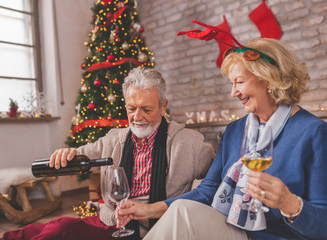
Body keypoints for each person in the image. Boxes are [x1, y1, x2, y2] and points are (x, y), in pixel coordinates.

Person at [117, 38, 327, 240]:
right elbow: (208, 190)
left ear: (268, 79)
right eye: (232, 83)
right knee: (182, 210)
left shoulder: (313, 133)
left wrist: (289, 203)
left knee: (184, 215)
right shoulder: (236, 130)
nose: (233, 92)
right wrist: (150, 209)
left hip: (276, 236)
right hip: (233, 229)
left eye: (240, 82)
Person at [0, 67, 215, 240]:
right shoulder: (115, 139)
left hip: (160, 229)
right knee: (57, 230)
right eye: (131, 108)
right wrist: (68, 153)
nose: (137, 117)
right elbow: (83, 154)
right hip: (114, 225)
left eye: (146, 109)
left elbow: (216, 181)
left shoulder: (190, 143)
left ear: (163, 106)